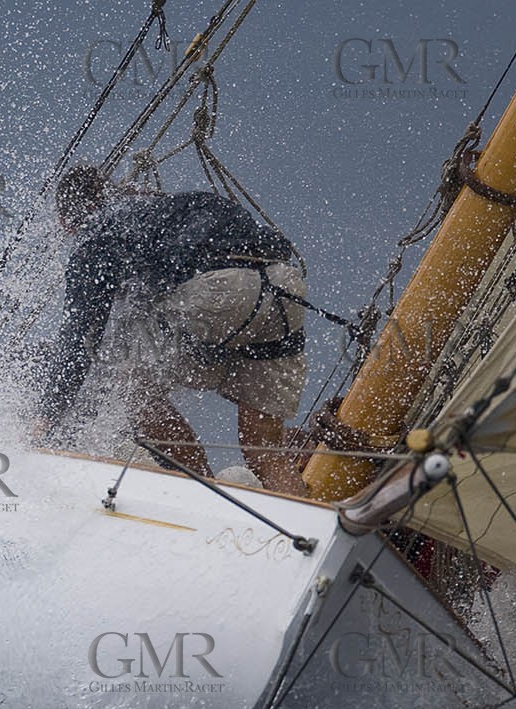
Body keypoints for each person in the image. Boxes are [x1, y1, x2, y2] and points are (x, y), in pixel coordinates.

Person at [31, 165, 308, 494]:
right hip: (284, 288)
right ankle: (311, 521)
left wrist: (45, 416)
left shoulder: (97, 233)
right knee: (265, 451)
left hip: (217, 292)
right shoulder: (172, 208)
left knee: (134, 387)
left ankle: (204, 493)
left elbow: (79, 334)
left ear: (70, 218)